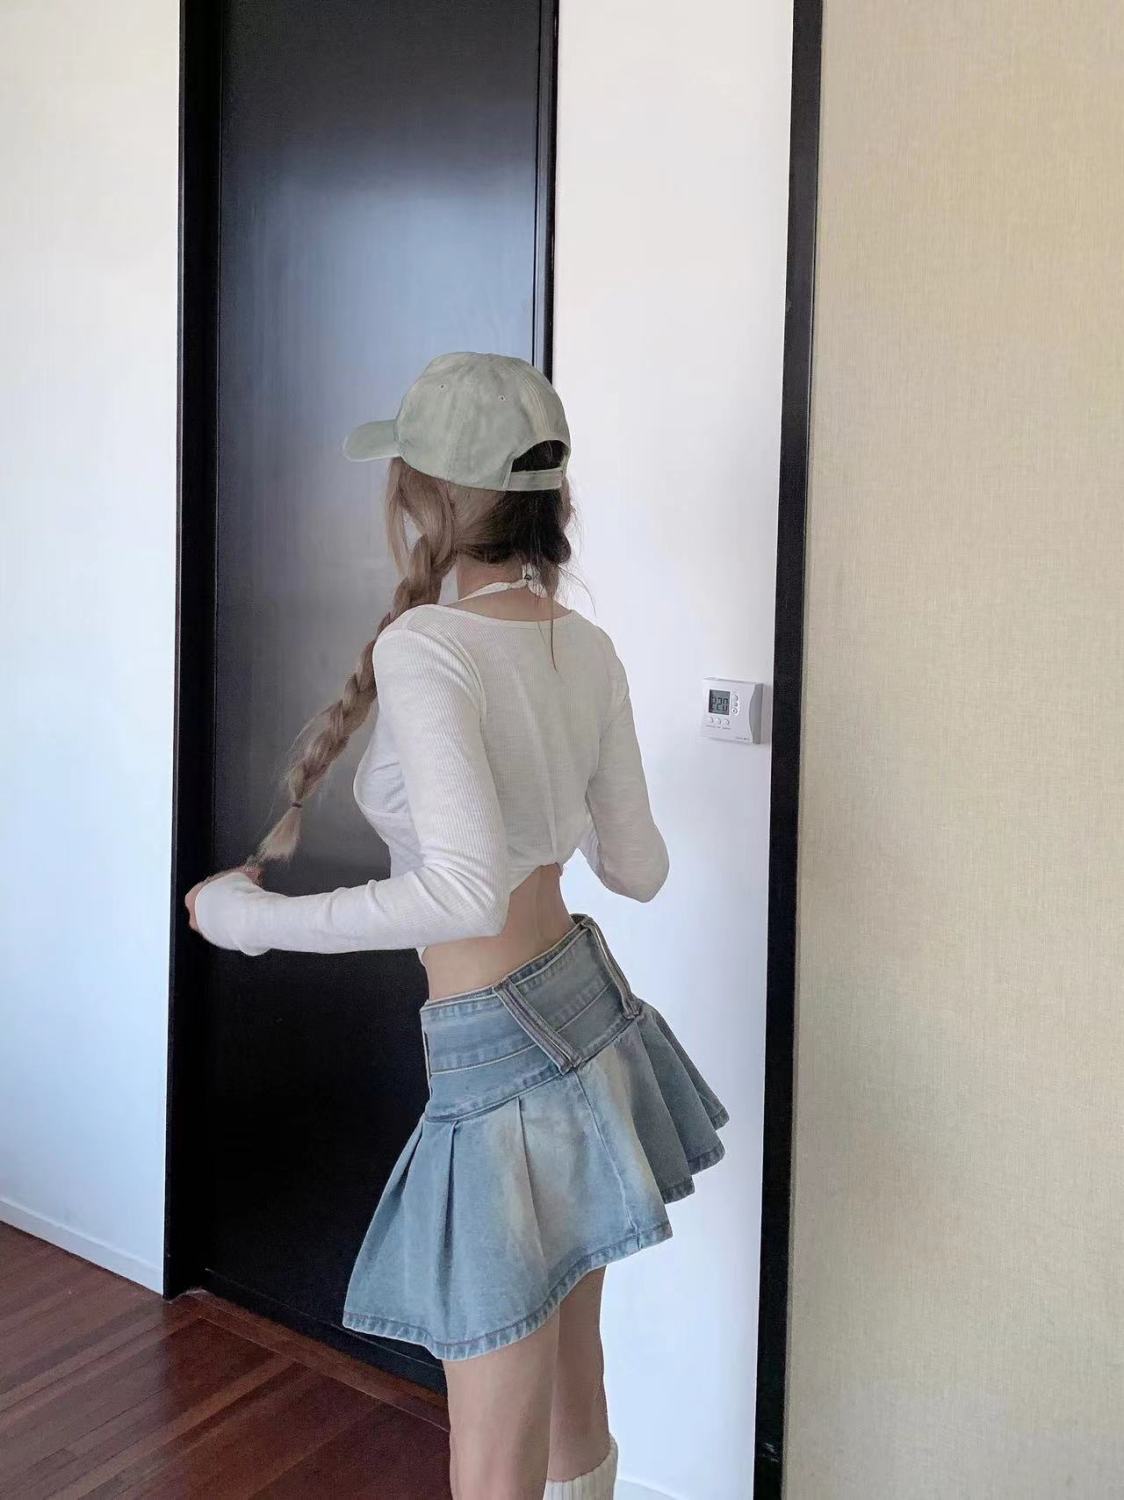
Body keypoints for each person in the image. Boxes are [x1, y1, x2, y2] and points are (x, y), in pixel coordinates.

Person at [186, 351, 729, 1500]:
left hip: (497, 1063)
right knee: (573, 1385)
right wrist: (547, 796)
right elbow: (636, 870)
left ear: (427, 497)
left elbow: (461, 893)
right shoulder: (583, 645)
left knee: (490, 1449)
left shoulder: (427, 646)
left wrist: (253, 919)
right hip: (589, 1018)